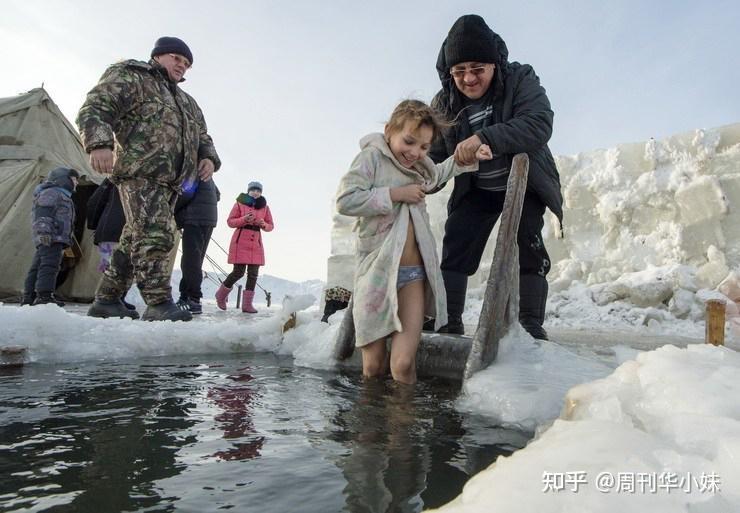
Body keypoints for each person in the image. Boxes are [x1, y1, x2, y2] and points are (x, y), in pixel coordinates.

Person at [335, 99, 492, 385]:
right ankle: (370, 428)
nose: (415, 152)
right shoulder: (371, 159)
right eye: (408, 141)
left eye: (423, 147)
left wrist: (468, 158)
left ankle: (401, 429)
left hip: (413, 276)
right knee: (373, 366)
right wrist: (396, 195)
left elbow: (438, 175)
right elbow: (346, 200)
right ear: (388, 131)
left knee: (404, 364)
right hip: (377, 275)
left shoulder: (420, 167)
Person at [427, 15, 563, 340]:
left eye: (477, 68)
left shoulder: (519, 78)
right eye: (459, 71)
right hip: (477, 187)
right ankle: (449, 322)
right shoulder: (444, 103)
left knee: (528, 244)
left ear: (493, 64)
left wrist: (483, 138)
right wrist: (418, 176)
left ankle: (529, 327)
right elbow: (434, 155)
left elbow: (539, 123)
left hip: (524, 182)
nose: (469, 78)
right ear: (449, 73)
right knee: (457, 240)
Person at [77, 36, 221, 322]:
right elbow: (97, 106)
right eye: (177, 59)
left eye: (186, 64)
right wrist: (100, 143)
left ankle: (107, 299)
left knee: (133, 240)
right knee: (157, 234)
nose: (182, 66)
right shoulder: (133, 77)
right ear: (158, 56)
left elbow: (203, 136)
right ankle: (159, 303)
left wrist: (208, 157)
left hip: (172, 183)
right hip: (139, 172)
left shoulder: (186, 102)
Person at [22, 167, 79, 307]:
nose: (76, 182)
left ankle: (29, 297)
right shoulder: (52, 193)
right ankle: (44, 296)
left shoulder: (62, 195)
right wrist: (44, 233)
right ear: (62, 179)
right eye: (73, 179)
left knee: (38, 265)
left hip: (55, 236)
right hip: (51, 236)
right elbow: (43, 213)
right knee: (50, 266)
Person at [215, 182, 274, 313]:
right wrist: (244, 219)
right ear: (248, 191)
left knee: (253, 274)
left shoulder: (265, 207)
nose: (256, 192)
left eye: (258, 190)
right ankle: (221, 295)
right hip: (240, 241)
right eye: (253, 190)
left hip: (256, 243)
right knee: (238, 272)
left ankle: (247, 305)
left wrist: (264, 224)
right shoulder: (239, 203)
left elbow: (271, 226)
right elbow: (230, 221)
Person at [85, 178, 138, 314]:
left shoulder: (112, 180)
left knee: (115, 265)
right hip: (121, 228)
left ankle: (117, 298)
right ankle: (109, 299)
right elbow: (94, 202)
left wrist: (94, 223)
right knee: (121, 265)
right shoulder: (141, 180)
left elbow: (94, 202)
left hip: (109, 230)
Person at [174, 177, 220, 314]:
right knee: (195, 259)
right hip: (208, 219)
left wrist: (174, 211)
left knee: (190, 261)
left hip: (194, 218)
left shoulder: (192, 172)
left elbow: (185, 194)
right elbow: (217, 195)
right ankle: (185, 297)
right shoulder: (209, 176)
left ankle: (193, 299)